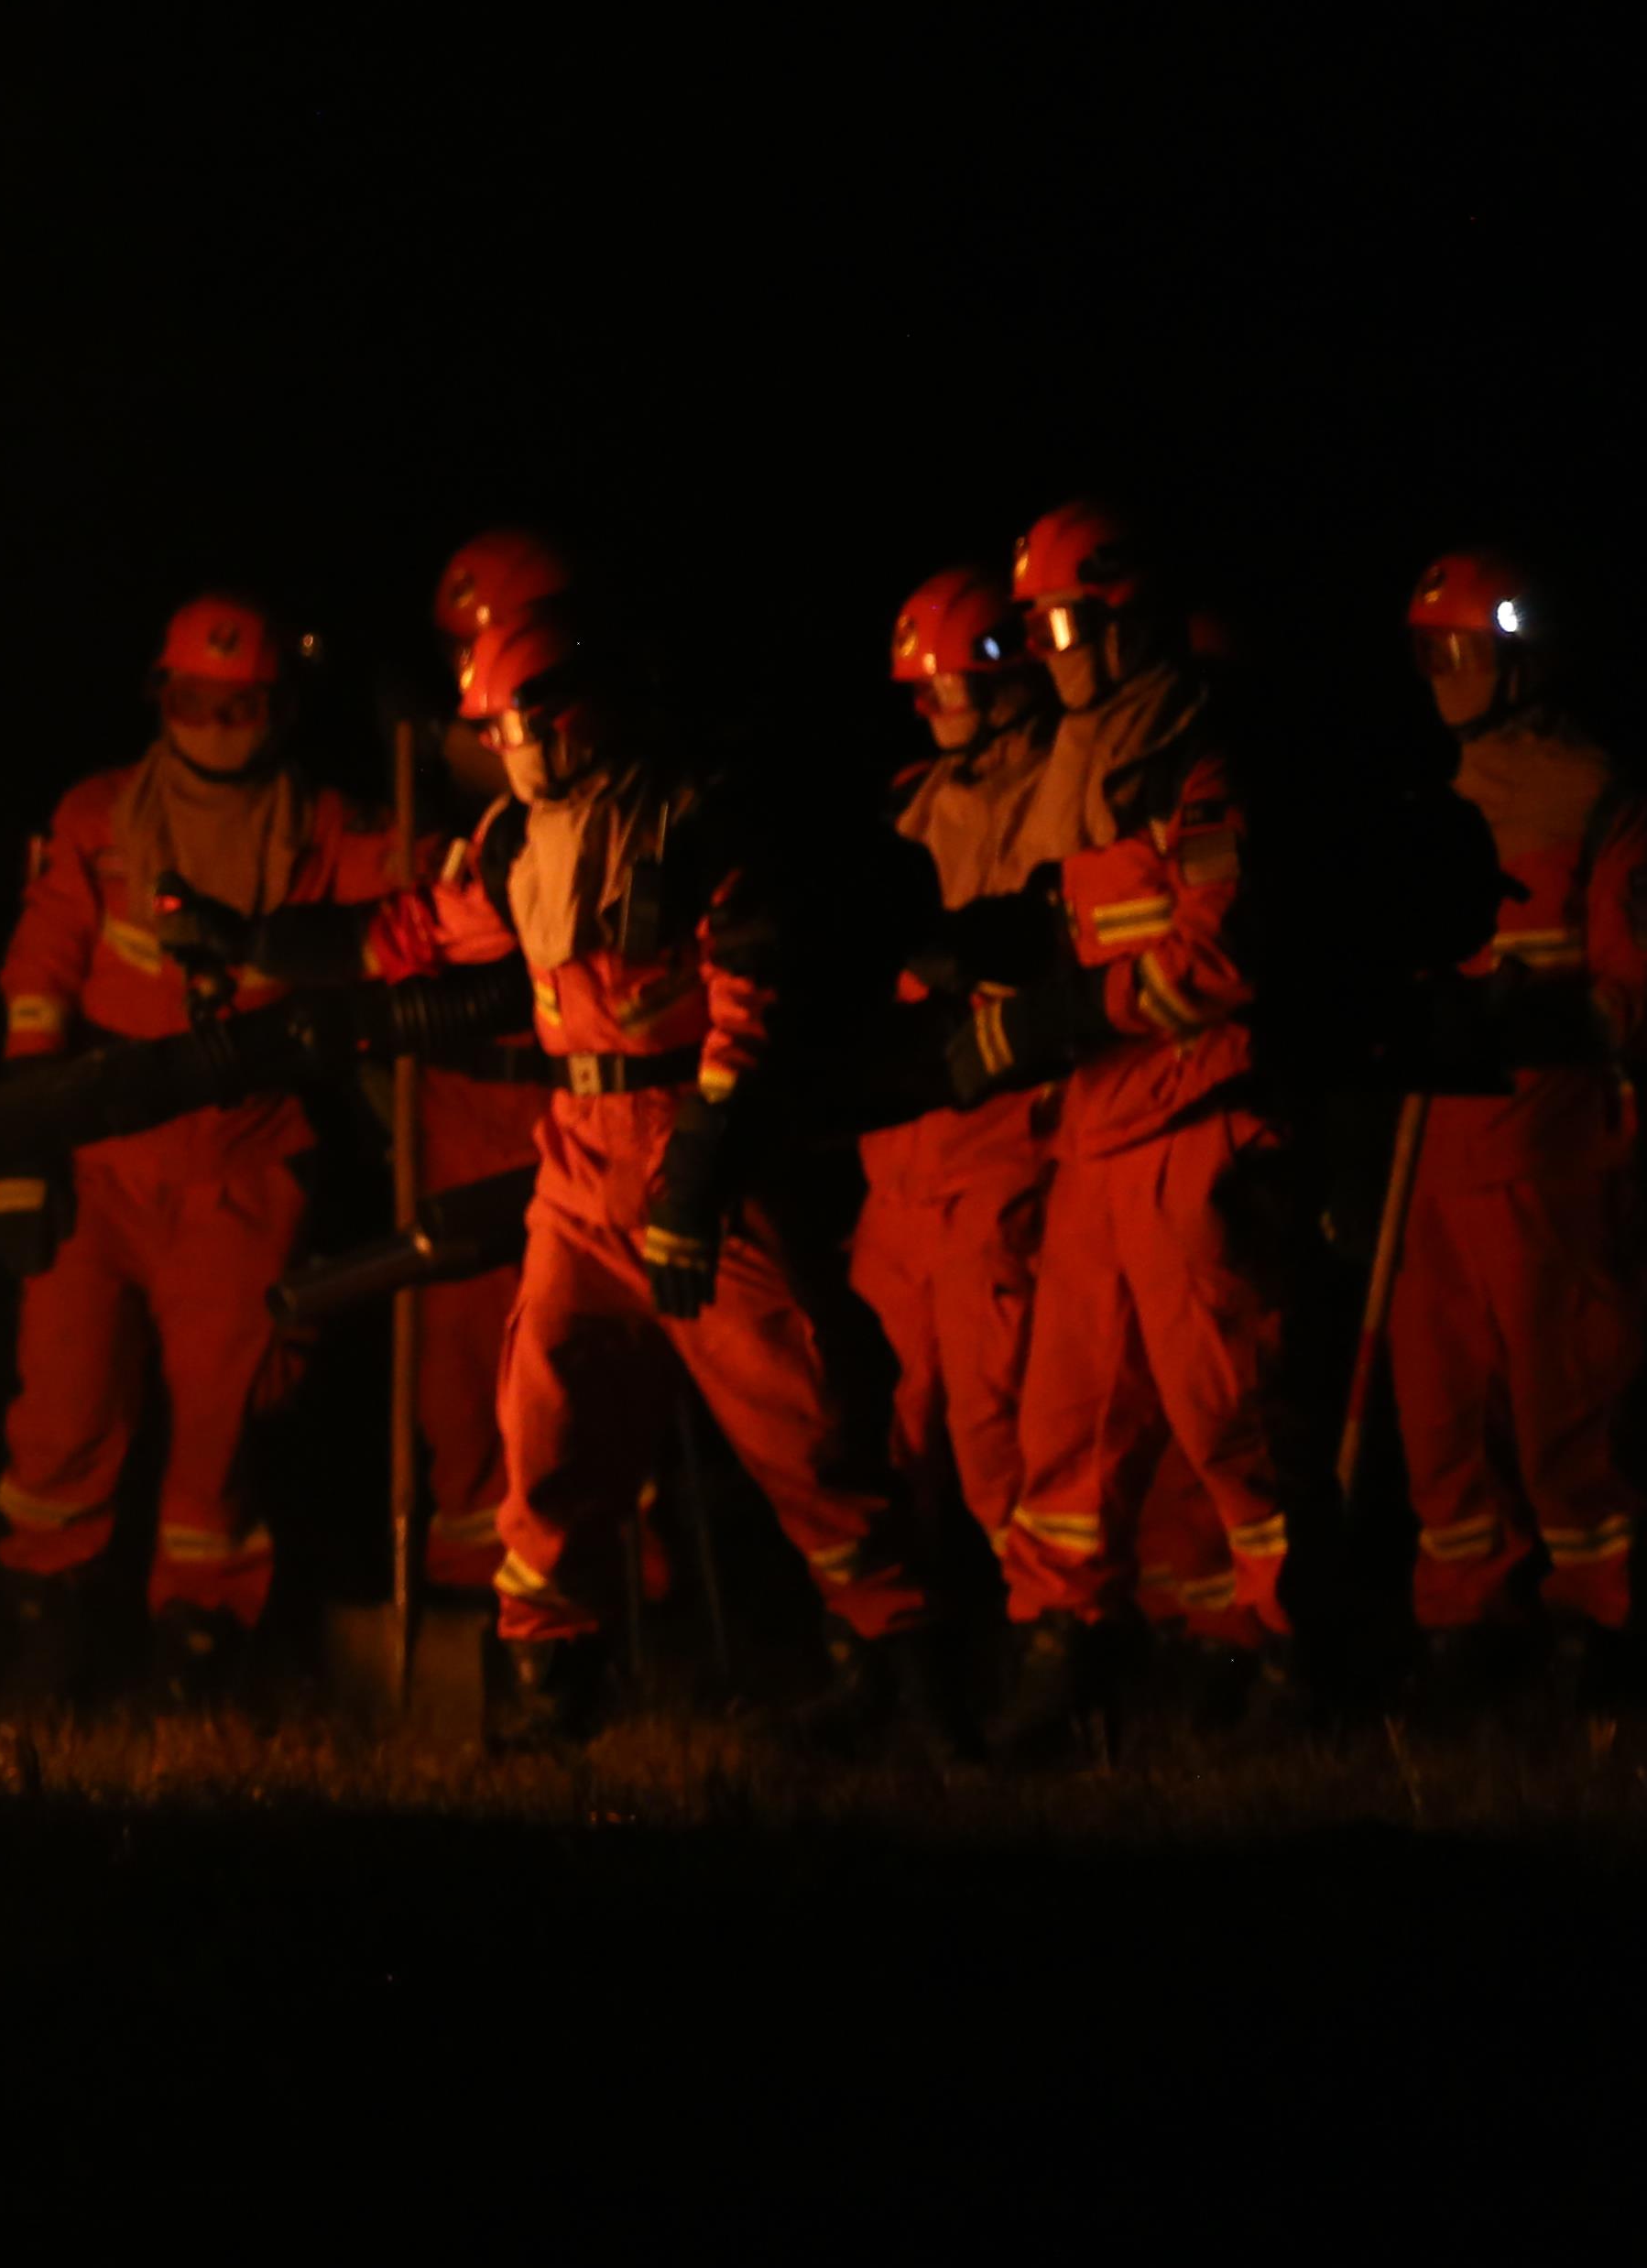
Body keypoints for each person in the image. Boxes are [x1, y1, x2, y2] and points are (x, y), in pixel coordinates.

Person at [354, 606, 939, 1743]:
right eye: (491, 733)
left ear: (579, 714)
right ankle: (544, 1687)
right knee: (547, 1424)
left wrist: (702, 1168)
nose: (503, 752)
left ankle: (903, 1665)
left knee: (799, 1417)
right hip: (576, 1164)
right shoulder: (514, 842)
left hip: (692, 1145)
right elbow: (428, 931)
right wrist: (262, 947)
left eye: (515, 726)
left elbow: (748, 999)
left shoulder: (697, 824)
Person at [0, 594, 408, 1700]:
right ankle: (49, 1656)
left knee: (225, 1428)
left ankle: (199, 1670)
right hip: (100, 1159)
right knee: (62, 1413)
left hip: (243, 1165)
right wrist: (24, 1148)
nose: (217, 722)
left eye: (242, 704)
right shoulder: (98, 818)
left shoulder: (325, 828)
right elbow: (38, 977)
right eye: (194, 699)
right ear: (160, 699)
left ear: (278, 709)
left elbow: (425, 909)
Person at [944, 502, 1303, 1748]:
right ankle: (1063, 1651)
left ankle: (1293, 1644)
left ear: (1126, 618)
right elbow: (1069, 915)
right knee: (1067, 1416)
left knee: (1228, 1410)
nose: (1044, 651)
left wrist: (1054, 1015)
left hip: (1196, 1111)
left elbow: (1215, 954)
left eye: (1058, 623)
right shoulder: (1085, 753)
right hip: (1103, 1121)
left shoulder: (1197, 756)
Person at [1383, 549, 1647, 1708]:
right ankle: (1464, 1626)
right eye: (1427, 652)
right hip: (1432, 1153)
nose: (1443, 676)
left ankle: (1598, 1628)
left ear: (1516, 655)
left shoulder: (1605, 800)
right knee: (1438, 1407)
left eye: (1459, 650)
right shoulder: (1420, 801)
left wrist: (1536, 1012)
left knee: (1569, 1400)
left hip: (1551, 1157)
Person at [850, 565, 1071, 1576]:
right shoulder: (914, 801)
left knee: (999, 1410)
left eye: (957, 683)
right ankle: (912, 1646)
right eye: (925, 688)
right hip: (900, 1152)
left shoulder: (1068, 782)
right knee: (885, 1413)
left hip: (999, 1142)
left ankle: (1053, 1629)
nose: (941, 703)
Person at [392, 531, 572, 1601]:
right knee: (459, 1358)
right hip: (461, 1099)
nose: (472, 675)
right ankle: (473, 1588)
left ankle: (612, 1587)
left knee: (582, 1357)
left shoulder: (604, 773)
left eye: (489, 646)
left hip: (578, 1094)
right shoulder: (449, 802)